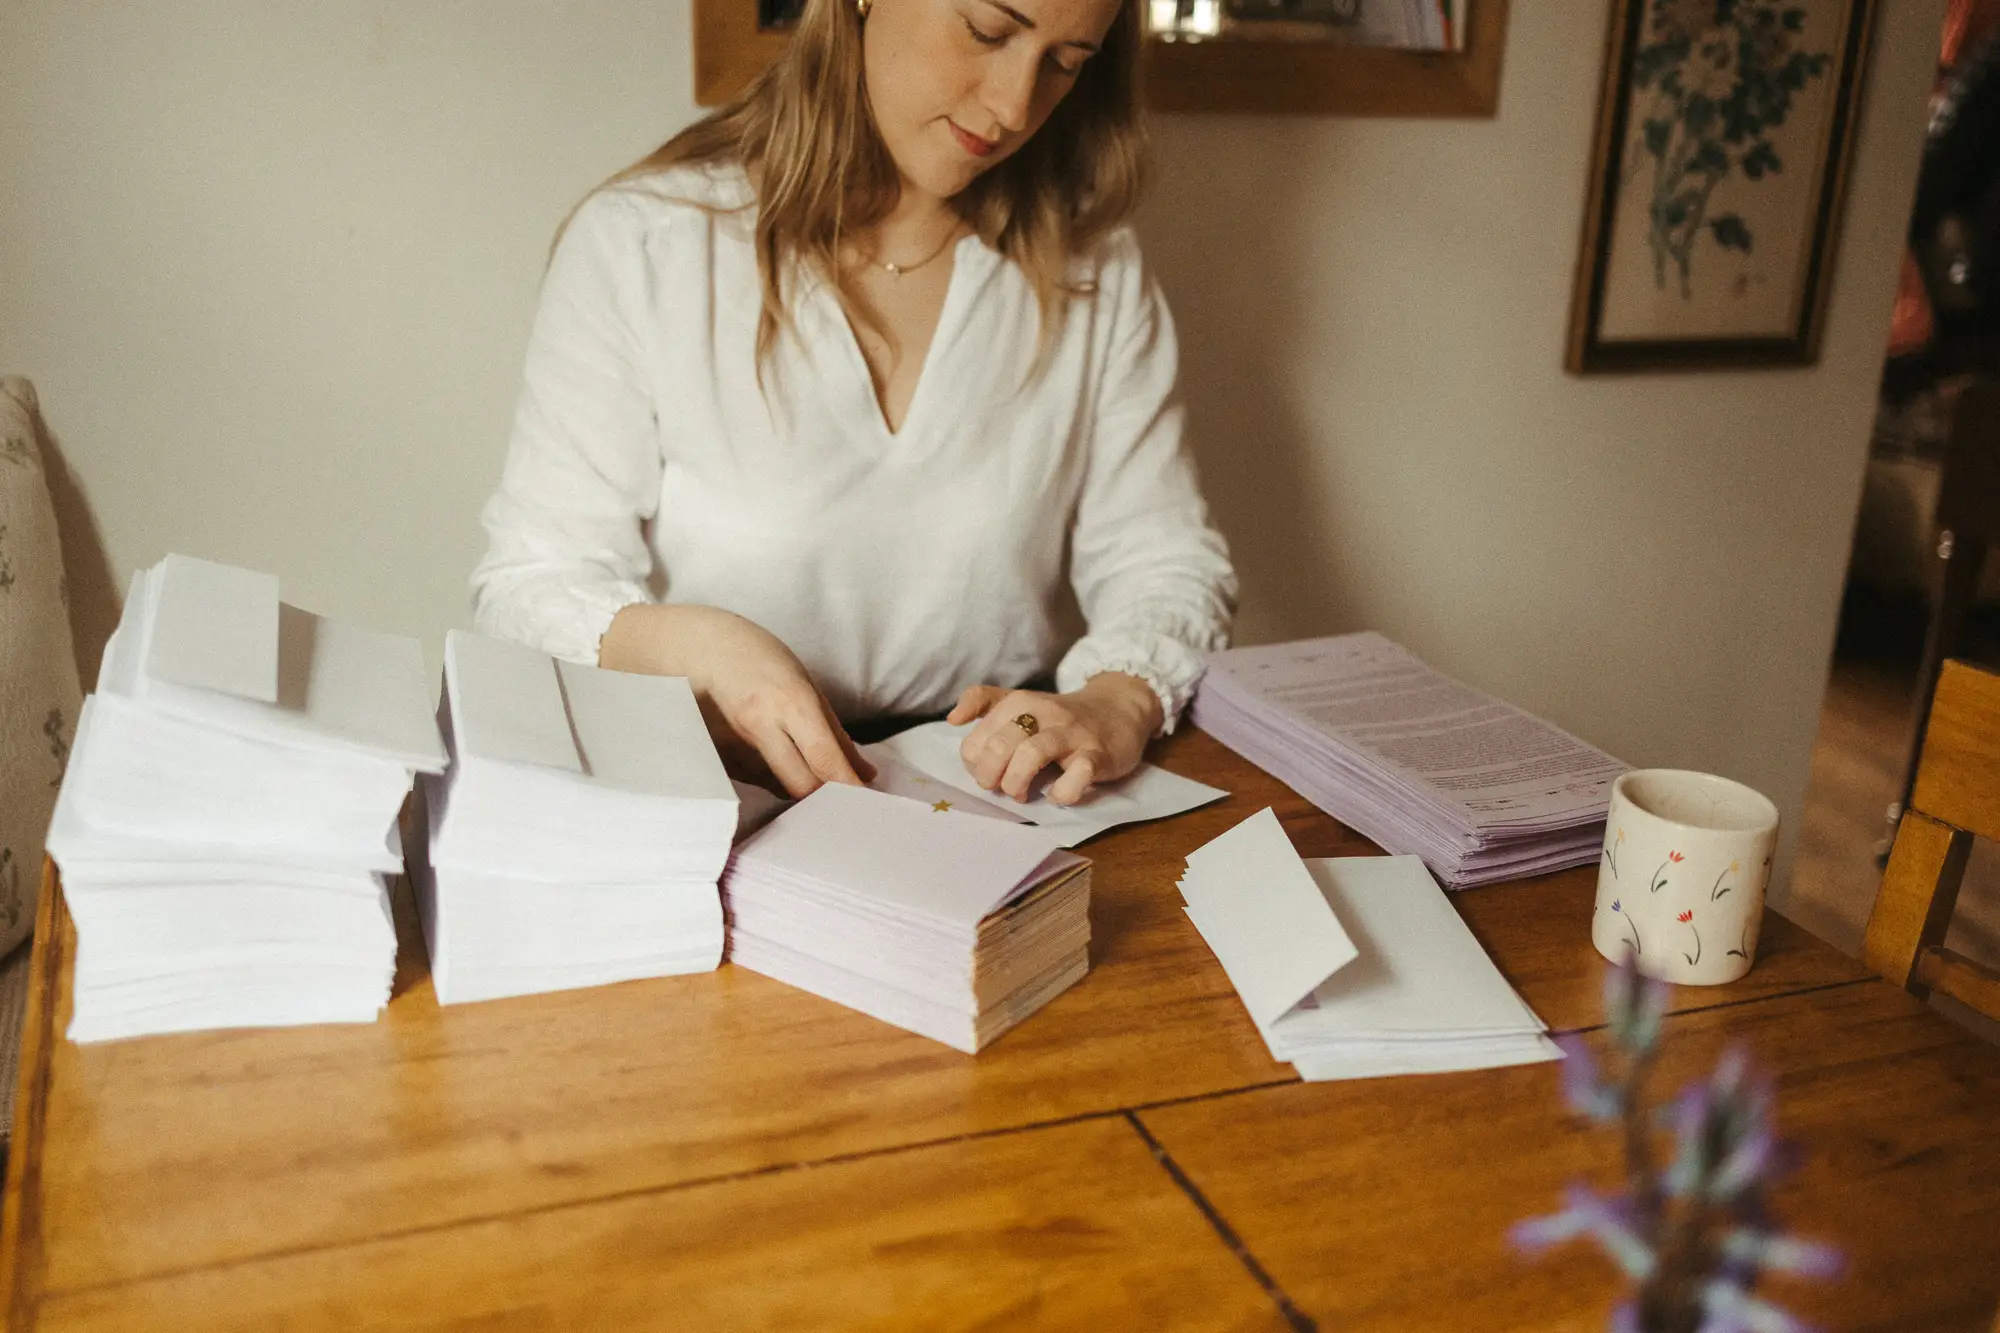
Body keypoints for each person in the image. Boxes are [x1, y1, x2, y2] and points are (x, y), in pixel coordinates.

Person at [471, 0, 1235, 807]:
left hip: (1001, 791)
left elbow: (1165, 561)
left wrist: (1115, 699)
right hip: (720, 790)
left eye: (1067, 62)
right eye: (987, 30)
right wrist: (706, 648)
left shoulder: (1092, 266)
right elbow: (529, 584)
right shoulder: (645, 245)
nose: (1015, 106)